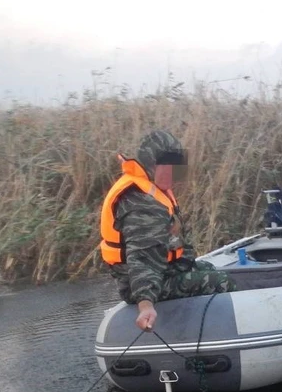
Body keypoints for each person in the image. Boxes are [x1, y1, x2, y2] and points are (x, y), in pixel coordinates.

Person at [99, 131, 235, 331]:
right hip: (145, 282)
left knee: (208, 268)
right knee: (221, 282)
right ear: (153, 165)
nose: (177, 174)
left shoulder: (153, 188)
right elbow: (142, 259)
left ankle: (200, 324)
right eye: (171, 166)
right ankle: (222, 332)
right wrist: (145, 303)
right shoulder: (142, 203)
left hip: (165, 269)